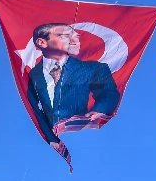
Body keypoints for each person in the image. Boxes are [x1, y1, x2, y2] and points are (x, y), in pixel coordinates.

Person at [25, 23, 120, 159]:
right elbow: (36, 110)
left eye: (75, 35)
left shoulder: (93, 69)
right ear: (42, 42)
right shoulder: (30, 76)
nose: (74, 40)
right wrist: (50, 138)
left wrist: (100, 109)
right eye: (65, 36)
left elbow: (108, 92)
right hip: (41, 146)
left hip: (83, 139)